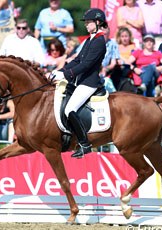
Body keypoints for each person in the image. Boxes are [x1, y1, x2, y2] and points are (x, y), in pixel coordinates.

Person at [51, 8, 107, 158]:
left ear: (98, 22)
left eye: (89, 22)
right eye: (86, 22)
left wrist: (66, 74)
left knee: (70, 109)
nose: (86, 25)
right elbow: (77, 60)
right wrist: (60, 70)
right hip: (80, 80)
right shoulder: (90, 39)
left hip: (89, 82)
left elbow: (87, 64)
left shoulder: (99, 41)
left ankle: (85, 144)